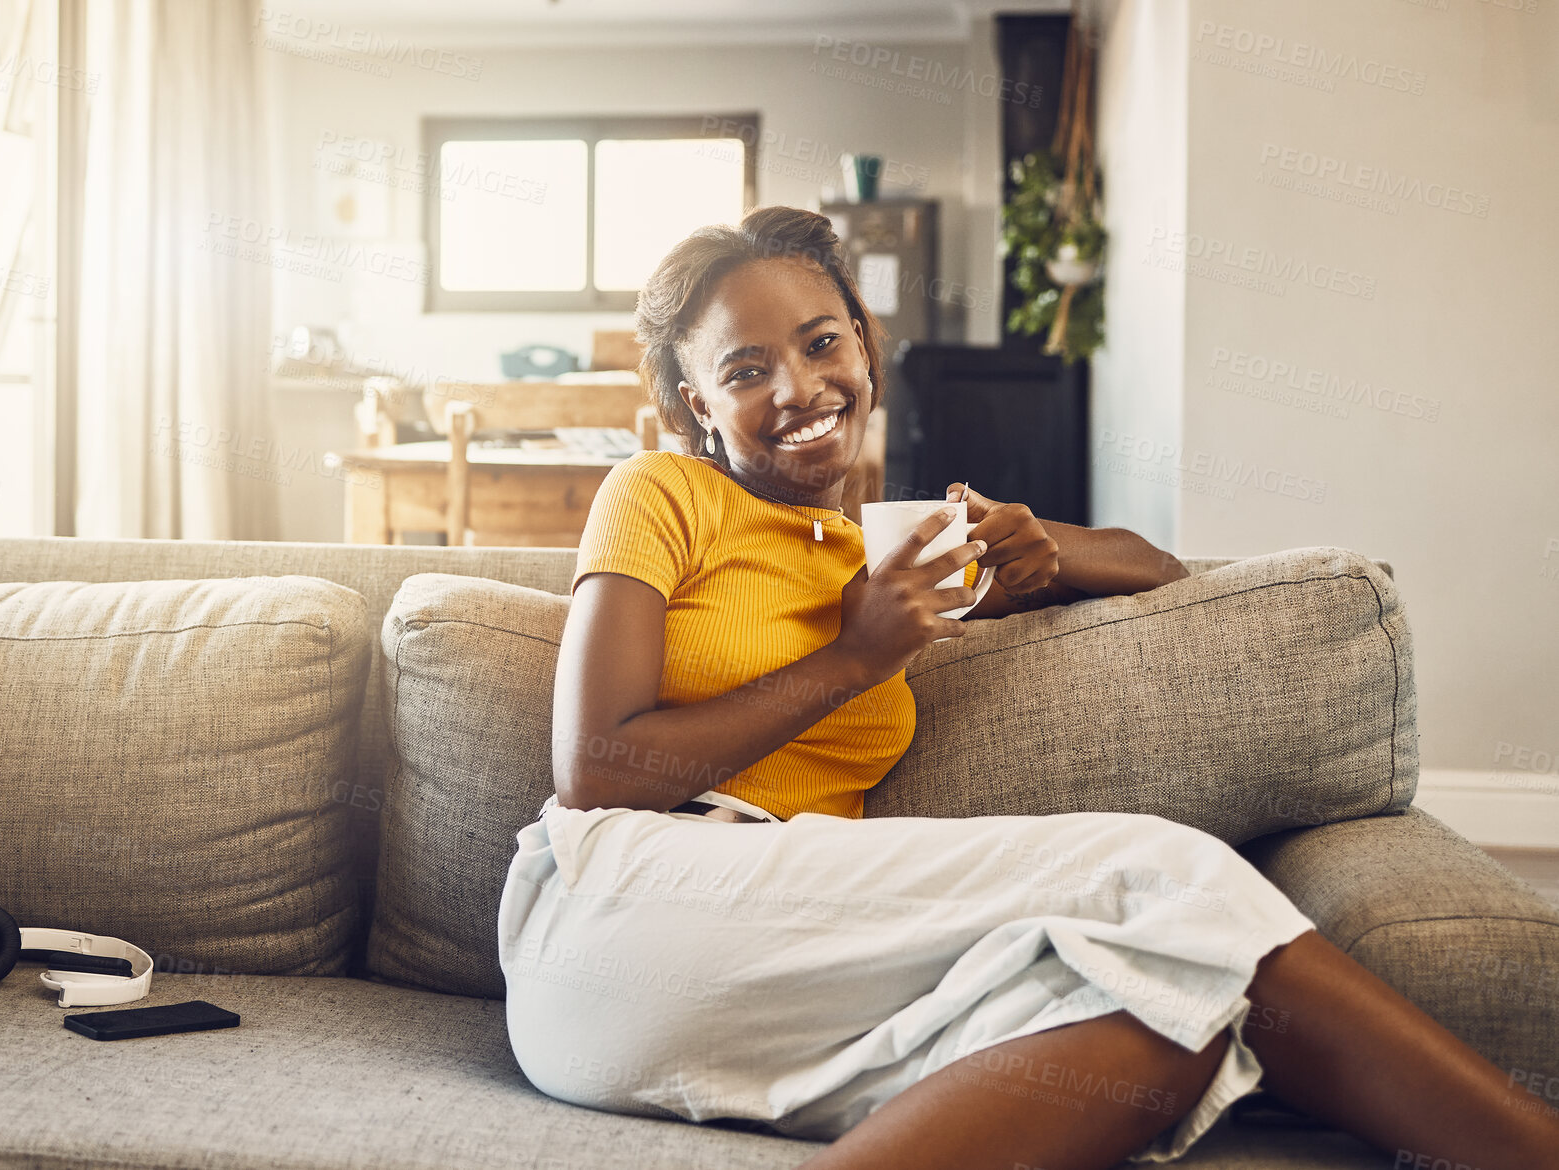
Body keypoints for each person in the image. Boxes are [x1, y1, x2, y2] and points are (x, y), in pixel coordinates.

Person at [497, 206, 1559, 1170]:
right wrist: (851, 662)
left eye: (823, 342)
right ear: (697, 402)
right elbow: (595, 771)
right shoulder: (659, 492)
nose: (798, 388)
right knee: (1159, 872)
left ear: (864, 350)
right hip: (616, 908)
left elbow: (1162, 574)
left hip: (755, 970)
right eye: (744, 370)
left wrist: (1038, 545)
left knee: (1168, 1020)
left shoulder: (888, 559)